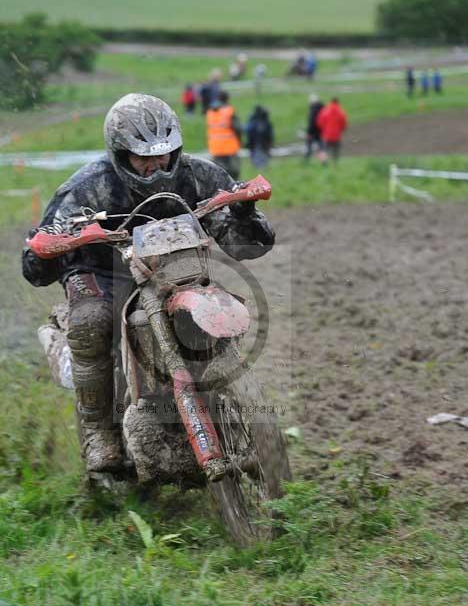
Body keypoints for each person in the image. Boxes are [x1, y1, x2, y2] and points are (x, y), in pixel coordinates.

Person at [21, 94, 275, 479]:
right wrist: (50, 244)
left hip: (176, 268)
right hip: (102, 271)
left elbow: (245, 246)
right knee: (91, 319)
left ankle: (222, 397)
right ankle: (98, 430)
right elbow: (36, 265)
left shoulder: (200, 176)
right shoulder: (86, 188)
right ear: (120, 155)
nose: (157, 166)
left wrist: (243, 211)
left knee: (208, 310)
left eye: (165, 154)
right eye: (144, 157)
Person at [206, 90, 242, 180]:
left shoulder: (210, 112)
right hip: (229, 146)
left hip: (216, 147)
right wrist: (240, 140)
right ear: (227, 98)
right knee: (234, 174)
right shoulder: (229, 111)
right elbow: (238, 128)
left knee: (220, 175)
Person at [316, 97, 348, 163]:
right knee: (335, 150)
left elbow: (320, 123)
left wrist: (324, 129)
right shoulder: (341, 112)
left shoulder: (325, 111)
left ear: (331, 102)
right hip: (336, 135)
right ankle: (335, 164)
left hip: (326, 135)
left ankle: (324, 162)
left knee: (324, 150)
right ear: (338, 103)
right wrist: (341, 129)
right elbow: (344, 124)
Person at [304, 93, 324, 161]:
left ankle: (306, 161)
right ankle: (323, 161)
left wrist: (309, 132)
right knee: (321, 148)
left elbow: (311, 122)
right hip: (321, 131)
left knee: (309, 147)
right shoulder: (322, 108)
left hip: (313, 132)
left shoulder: (313, 110)